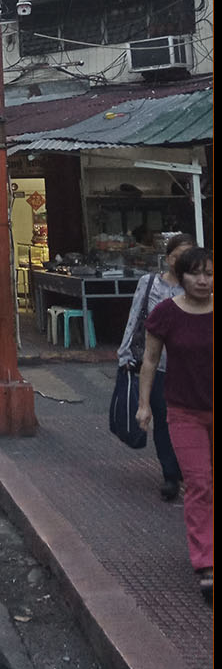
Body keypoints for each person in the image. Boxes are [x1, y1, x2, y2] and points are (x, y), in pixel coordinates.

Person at [136, 245, 213, 603]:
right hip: (184, 412)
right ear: (181, 276)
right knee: (199, 484)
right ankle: (205, 563)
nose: (203, 280)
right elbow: (150, 360)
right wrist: (143, 405)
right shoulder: (166, 313)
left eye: (209, 273)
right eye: (196, 273)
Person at [118, 232, 194, 500]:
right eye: (177, 256)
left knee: (189, 420)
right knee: (163, 421)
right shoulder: (150, 284)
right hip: (159, 366)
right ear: (167, 258)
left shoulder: (198, 287)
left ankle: (189, 470)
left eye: (188, 257)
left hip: (191, 370)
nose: (181, 262)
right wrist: (126, 353)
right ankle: (170, 475)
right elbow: (135, 318)